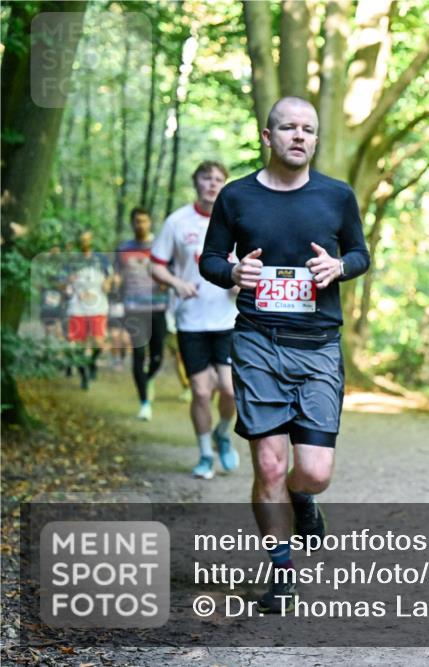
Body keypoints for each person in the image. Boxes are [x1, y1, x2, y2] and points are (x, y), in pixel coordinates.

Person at [199, 96, 370, 613]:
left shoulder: (337, 197)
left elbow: (361, 253)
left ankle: (305, 500)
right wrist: (232, 272)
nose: (300, 136)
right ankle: (281, 572)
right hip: (256, 342)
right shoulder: (236, 197)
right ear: (267, 136)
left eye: (309, 129)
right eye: (289, 128)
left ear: (315, 140)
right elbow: (209, 259)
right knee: (270, 466)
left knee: (313, 472)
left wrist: (340, 268)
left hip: (318, 345)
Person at [151, 161, 240, 478]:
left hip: (227, 320)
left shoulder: (236, 222)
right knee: (201, 392)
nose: (213, 184)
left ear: (225, 185)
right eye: (206, 178)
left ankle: (223, 433)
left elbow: (249, 267)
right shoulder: (177, 222)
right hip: (191, 320)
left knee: (230, 390)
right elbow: (156, 265)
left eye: (219, 179)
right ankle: (205, 454)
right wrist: (177, 283)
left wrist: (239, 284)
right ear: (196, 182)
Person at [116, 207, 170, 419]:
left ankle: (148, 379)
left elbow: (170, 271)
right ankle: (144, 402)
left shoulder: (161, 246)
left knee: (157, 357)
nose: (141, 225)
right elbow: (117, 276)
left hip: (157, 308)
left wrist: (166, 282)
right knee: (138, 355)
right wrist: (114, 283)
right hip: (134, 309)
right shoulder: (123, 249)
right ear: (132, 223)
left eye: (144, 221)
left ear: (150, 222)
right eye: (137, 221)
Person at [65, 230, 113, 390]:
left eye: (87, 239)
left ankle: (91, 362)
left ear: (92, 241)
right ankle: (83, 373)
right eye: (82, 240)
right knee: (78, 344)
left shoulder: (101, 258)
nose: (84, 243)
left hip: (98, 306)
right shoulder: (73, 260)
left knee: (99, 342)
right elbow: (62, 281)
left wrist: (108, 283)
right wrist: (67, 282)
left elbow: (111, 276)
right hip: (77, 306)